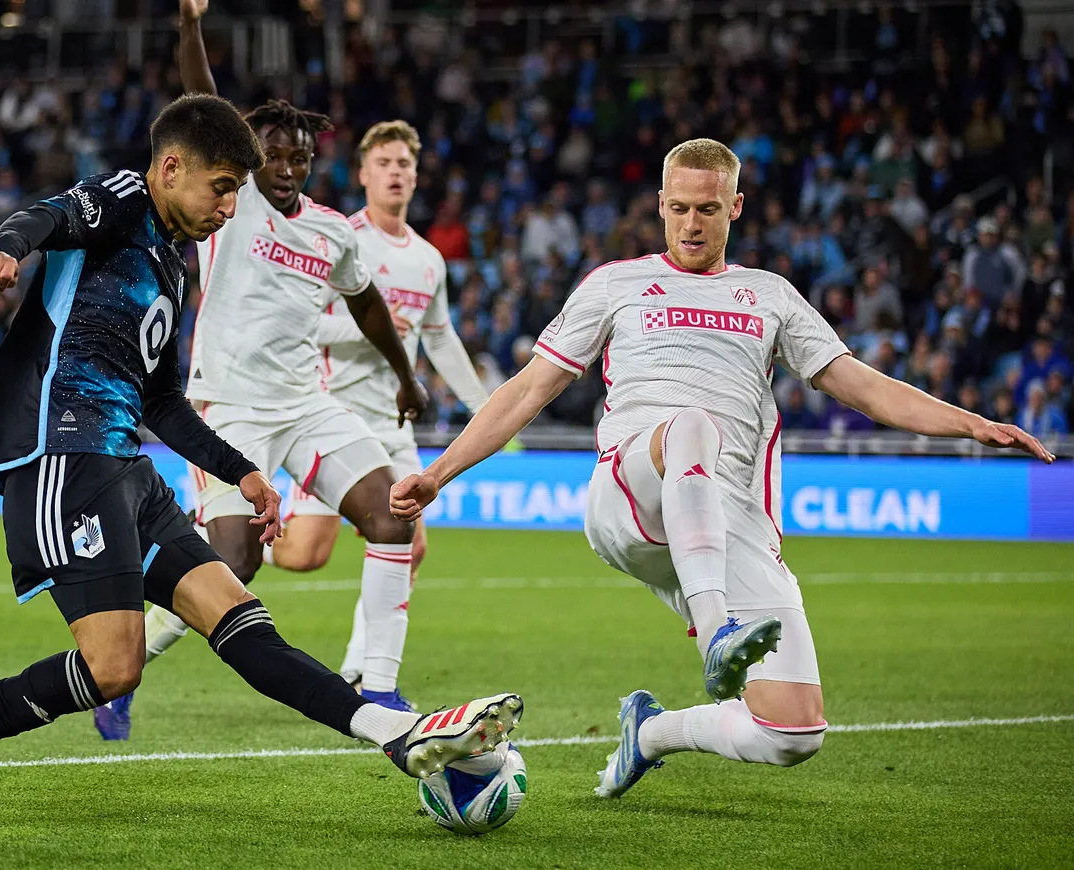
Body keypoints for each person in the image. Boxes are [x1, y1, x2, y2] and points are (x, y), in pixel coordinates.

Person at [0, 91, 521, 821]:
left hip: (125, 467)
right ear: (172, 167)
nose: (231, 207)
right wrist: (7, 246)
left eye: (237, 190)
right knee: (115, 666)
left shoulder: (171, 269)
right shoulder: (124, 199)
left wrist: (243, 471)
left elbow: (163, 400)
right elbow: (47, 215)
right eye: (224, 187)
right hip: (62, 455)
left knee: (241, 616)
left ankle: (394, 731)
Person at [388, 138, 1053, 800]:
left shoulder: (770, 297)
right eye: (677, 208)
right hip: (631, 497)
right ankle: (716, 632)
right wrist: (438, 472)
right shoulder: (616, 285)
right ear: (660, 206)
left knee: (793, 732)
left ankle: (650, 732)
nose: (691, 222)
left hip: (728, 520)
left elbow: (864, 386)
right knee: (691, 427)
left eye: (706, 208)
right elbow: (527, 390)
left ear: (735, 205)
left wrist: (970, 422)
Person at [97, 0, 436, 737]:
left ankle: (377, 683)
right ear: (248, 160)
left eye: (297, 158)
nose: (284, 167)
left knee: (393, 513)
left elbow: (370, 304)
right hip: (230, 410)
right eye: (271, 155)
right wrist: (189, 27)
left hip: (306, 404)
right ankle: (122, 676)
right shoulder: (236, 201)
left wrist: (405, 376)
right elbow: (204, 98)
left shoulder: (328, 230)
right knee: (234, 564)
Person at [269, 120, 490, 691]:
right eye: (385, 163)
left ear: (416, 177)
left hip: (395, 428)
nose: (396, 173)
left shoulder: (428, 259)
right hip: (335, 418)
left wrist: (488, 408)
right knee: (303, 556)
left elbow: (439, 339)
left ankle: (359, 668)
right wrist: (367, 329)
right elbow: (304, 320)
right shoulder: (341, 239)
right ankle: (239, 542)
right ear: (363, 173)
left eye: (405, 165)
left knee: (409, 543)